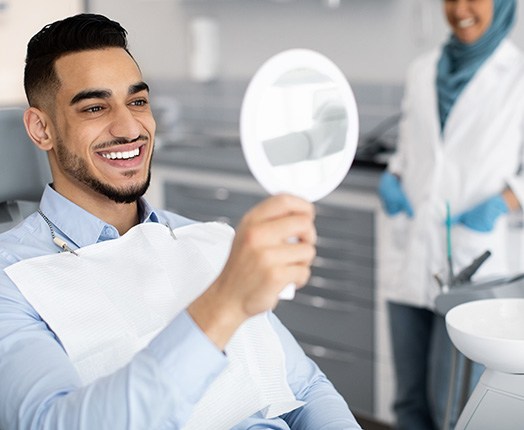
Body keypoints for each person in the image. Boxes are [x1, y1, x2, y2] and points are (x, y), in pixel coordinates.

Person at [0, 13, 362, 429]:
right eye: (95, 107)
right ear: (41, 128)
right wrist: (224, 302)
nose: (129, 127)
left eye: (137, 101)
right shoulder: (12, 282)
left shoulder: (206, 239)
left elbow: (305, 388)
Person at [378, 1, 524, 429]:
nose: (460, 9)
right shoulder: (423, 70)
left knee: (453, 407)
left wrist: (506, 199)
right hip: (412, 250)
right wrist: (393, 177)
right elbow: (409, 153)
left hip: (475, 262)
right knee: (406, 402)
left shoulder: (517, 76)